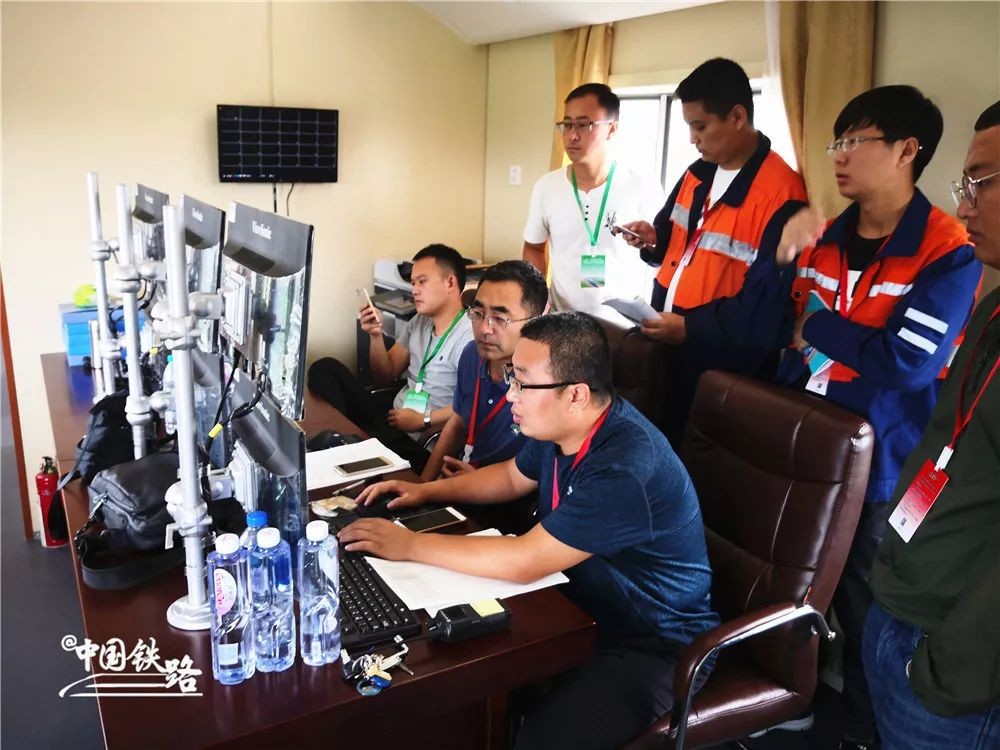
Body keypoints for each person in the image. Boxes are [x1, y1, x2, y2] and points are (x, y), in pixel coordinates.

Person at [340, 312, 719, 750]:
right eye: (511, 378)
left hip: (656, 641)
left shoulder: (625, 466)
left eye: (521, 382)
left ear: (575, 394)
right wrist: (426, 490)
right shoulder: (562, 427)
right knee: (460, 684)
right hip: (579, 606)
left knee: (538, 739)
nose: (510, 394)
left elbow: (525, 560)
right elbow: (510, 477)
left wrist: (409, 544)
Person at [738, 86, 983, 750]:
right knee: (789, 583)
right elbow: (765, 325)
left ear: (907, 151)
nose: (839, 157)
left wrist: (818, 327)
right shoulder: (824, 236)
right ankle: (792, 700)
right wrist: (777, 254)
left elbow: (907, 362)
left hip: (887, 462)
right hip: (805, 440)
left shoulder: (949, 249)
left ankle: (869, 732)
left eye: (854, 142)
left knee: (869, 603)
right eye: (836, 143)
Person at [865, 100, 1000, 750]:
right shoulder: (993, 306)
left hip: (948, 664)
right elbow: (951, 445)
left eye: (982, 182)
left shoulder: (947, 258)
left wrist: (949, 668)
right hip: (900, 603)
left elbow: (903, 362)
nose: (965, 205)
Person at [619, 58, 807, 445]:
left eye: (700, 126)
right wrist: (652, 240)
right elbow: (673, 243)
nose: (693, 138)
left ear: (737, 117)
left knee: (698, 459)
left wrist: (688, 328)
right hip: (667, 343)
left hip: (722, 363)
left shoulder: (782, 194)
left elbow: (765, 308)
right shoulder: (697, 173)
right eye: (689, 127)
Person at [307, 244, 473, 473]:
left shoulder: (469, 336)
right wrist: (375, 336)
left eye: (422, 282)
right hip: (393, 419)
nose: (414, 290)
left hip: (420, 439)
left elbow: (470, 405)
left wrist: (423, 419)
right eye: (412, 283)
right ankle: (350, 441)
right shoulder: (419, 322)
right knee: (325, 368)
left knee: (360, 432)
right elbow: (384, 376)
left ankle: (352, 443)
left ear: (451, 283)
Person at [419, 260, 548, 533]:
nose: (484, 329)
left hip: (510, 507)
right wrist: (421, 489)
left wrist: (479, 483)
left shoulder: (547, 383)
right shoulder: (471, 355)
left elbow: (537, 475)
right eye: (477, 314)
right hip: (461, 483)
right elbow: (458, 423)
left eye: (500, 318)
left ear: (536, 322)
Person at [522, 83, 663, 324]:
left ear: (612, 129)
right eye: (567, 125)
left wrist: (649, 242)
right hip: (562, 323)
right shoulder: (547, 186)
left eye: (584, 125)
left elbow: (663, 252)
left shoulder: (642, 185)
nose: (572, 135)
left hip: (624, 325)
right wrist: (537, 299)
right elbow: (533, 247)